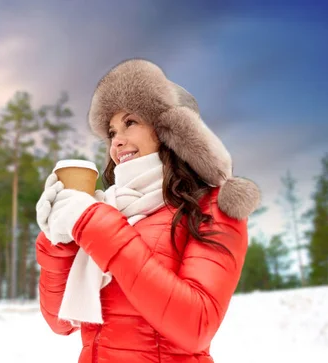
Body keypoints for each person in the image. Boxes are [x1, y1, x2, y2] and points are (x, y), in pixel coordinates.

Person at [35, 58, 261, 363]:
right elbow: (60, 323)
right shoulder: (110, 208)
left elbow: (197, 326)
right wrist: (59, 238)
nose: (118, 142)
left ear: (169, 130)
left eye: (130, 123)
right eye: (111, 132)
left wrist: (92, 223)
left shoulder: (210, 207)